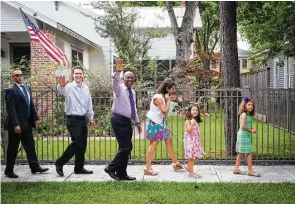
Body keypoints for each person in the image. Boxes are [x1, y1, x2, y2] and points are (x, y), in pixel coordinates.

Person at [4, 70, 49, 178]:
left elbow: (31, 105)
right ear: (13, 78)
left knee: (30, 146)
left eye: (21, 75)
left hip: (27, 123)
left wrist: (36, 118)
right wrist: (16, 124)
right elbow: (11, 110)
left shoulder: (27, 88)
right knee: (13, 148)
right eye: (17, 75)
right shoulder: (10, 90)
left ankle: (35, 167)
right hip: (17, 125)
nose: (19, 77)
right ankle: (9, 171)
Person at [104, 61, 142, 181]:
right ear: (123, 79)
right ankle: (110, 167)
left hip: (126, 121)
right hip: (118, 120)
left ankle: (121, 173)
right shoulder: (119, 88)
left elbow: (133, 108)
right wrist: (118, 71)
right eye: (127, 77)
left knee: (124, 147)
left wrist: (137, 122)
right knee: (126, 147)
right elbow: (114, 81)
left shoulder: (133, 92)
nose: (130, 79)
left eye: (132, 78)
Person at [55, 67, 96, 176]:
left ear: (83, 75)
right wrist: (62, 85)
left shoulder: (86, 88)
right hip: (73, 120)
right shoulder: (68, 87)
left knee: (82, 145)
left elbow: (89, 104)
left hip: (83, 119)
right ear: (73, 75)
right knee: (77, 143)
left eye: (80, 73)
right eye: (76, 73)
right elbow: (61, 90)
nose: (78, 75)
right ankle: (60, 162)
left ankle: (79, 168)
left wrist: (91, 118)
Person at [144, 78, 184, 176]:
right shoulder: (158, 98)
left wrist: (165, 125)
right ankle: (147, 168)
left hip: (161, 123)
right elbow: (165, 112)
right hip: (155, 123)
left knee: (168, 140)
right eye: (172, 89)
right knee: (154, 144)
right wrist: (168, 100)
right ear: (167, 88)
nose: (173, 91)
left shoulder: (163, 96)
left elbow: (163, 114)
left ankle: (175, 163)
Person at [233, 96, 261, 177]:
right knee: (249, 152)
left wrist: (251, 129)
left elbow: (246, 125)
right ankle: (250, 170)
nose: (250, 106)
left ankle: (236, 169)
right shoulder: (244, 114)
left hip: (245, 134)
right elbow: (242, 126)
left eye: (252, 105)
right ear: (244, 106)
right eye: (249, 105)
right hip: (243, 135)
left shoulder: (248, 115)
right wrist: (251, 130)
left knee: (241, 153)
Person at [184, 103, 205, 178]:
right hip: (190, 142)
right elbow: (189, 131)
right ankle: (191, 173)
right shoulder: (188, 121)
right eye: (193, 110)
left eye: (197, 110)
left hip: (195, 141)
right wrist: (192, 124)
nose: (195, 111)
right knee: (192, 157)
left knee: (196, 156)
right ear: (190, 111)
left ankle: (189, 166)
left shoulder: (195, 120)